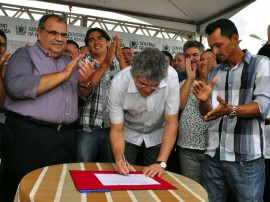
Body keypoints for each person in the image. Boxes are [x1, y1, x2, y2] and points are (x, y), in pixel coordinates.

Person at [0, 14, 94, 201]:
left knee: (57, 189)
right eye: (53, 33)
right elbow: (16, 88)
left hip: (66, 136)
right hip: (29, 135)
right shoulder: (24, 55)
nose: (59, 39)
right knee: (20, 188)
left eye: (63, 34)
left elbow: (84, 95)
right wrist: (64, 74)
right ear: (39, 33)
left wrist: (85, 83)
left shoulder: (69, 62)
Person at [193, 19, 270, 202]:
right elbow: (208, 114)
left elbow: (262, 106)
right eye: (212, 47)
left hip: (247, 159)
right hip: (214, 155)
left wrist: (231, 110)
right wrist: (203, 101)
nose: (215, 52)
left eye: (219, 45)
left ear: (234, 38)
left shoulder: (260, 64)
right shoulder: (214, 72)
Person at [109, 47, 179, 177]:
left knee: (155, 177)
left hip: (157, 134)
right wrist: (119, 160)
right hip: (128, 134)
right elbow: (116, 129)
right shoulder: (119, 83)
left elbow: (171, 123)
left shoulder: (171, 77)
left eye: (154, 86)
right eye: (142, 84)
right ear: (133, 73)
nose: (147, 90)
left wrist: (161, 162)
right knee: (123, 173)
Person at [77, 27, 127, 163]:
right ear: (88, 46)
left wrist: (120, 58)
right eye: (91, 40)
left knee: (111, 171)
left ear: (108, 43)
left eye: (100, 38)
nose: (96, 42)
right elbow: (87, 88)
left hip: (113, 128)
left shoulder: (118, 64)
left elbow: (131, 84)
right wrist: (106, 63)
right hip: (89, 127)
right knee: (83, 170)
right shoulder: (83, 63)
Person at [177, 50, 215, 184]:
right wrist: (190, 79)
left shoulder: (221, 83)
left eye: (209, 59)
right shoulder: (187, 82)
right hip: (187, 146)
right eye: (202, 59)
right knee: (191, 189)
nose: (204, 62)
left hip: (211, 148)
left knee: (211, 191)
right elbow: (179, 106)